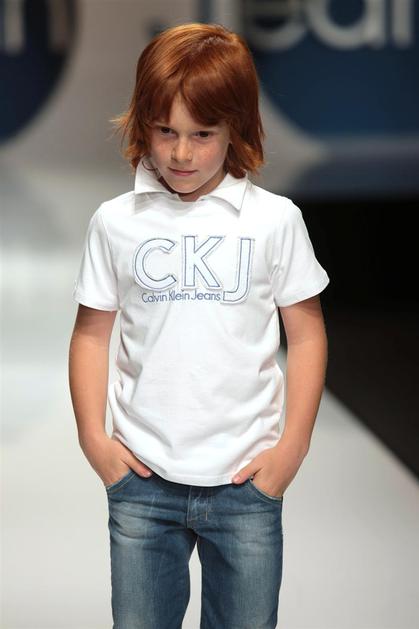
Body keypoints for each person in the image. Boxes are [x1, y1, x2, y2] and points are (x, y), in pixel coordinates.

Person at [69, 21, 330, 629]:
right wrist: (94, 441)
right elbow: (90, 335)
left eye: (202, 134)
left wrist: (291, 450)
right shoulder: (116, 222)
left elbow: (307, 334)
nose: (181, 153)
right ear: (142, 123)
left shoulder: (274, 221)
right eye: (165, 131)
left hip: (246, 479)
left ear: (237, 127)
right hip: (142, 479)